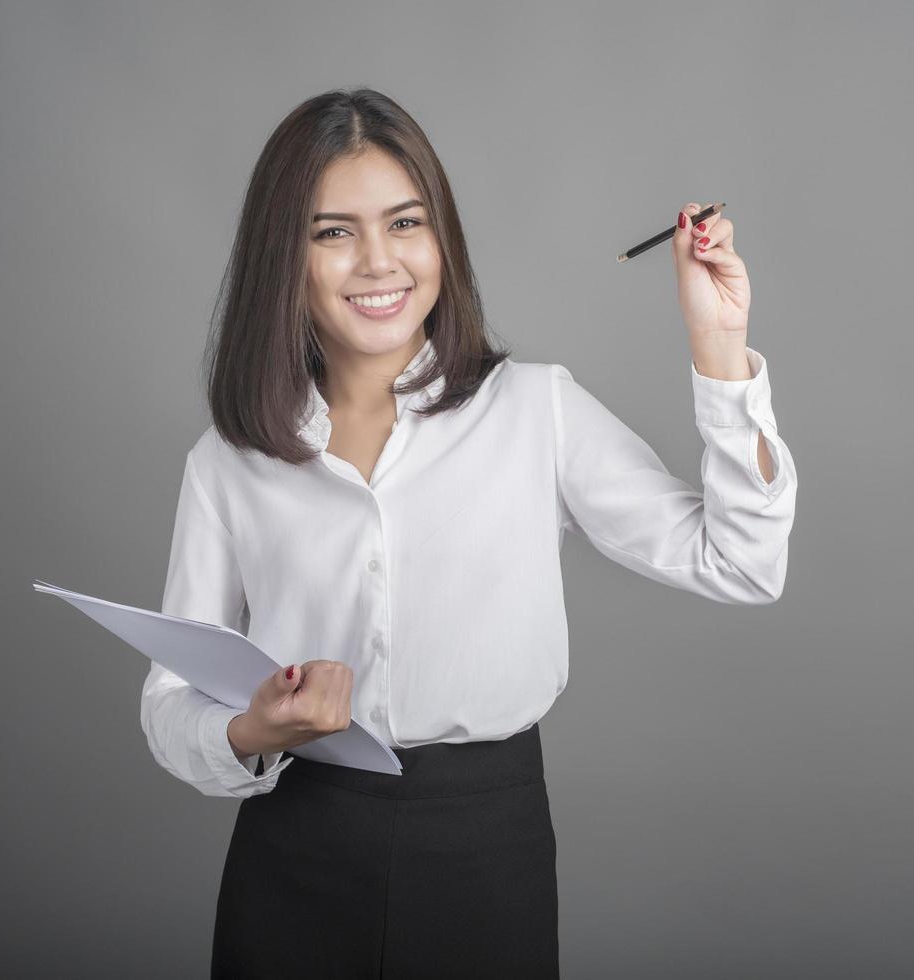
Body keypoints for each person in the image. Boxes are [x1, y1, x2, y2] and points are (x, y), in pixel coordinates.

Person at [139, 87, 798, 979]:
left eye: (405, 223)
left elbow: (744, 563)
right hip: (294, 848)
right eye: (334, 232)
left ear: (441, 237)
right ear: (282, 257)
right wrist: (252, 730)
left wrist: (720, 347)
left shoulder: (535, 409)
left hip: (485, 850)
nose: (379, 262)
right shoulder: (229, 461)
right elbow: (172, 706)